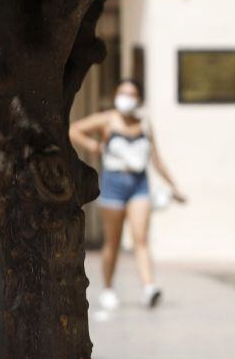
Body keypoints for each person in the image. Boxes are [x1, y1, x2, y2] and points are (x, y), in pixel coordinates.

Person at [70, 79, 186, 310]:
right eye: (122, 92)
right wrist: (93, 147)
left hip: (139, 183)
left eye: (131, 94)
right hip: (114, 182)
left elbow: (157, 158)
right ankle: (108, 288)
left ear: (139, 99)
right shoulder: (107, 119)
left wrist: (174, 187)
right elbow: (74, 129)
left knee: (140, 239)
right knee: (112, 241)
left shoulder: (144, 124)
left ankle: (148, 287)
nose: (126, 97)